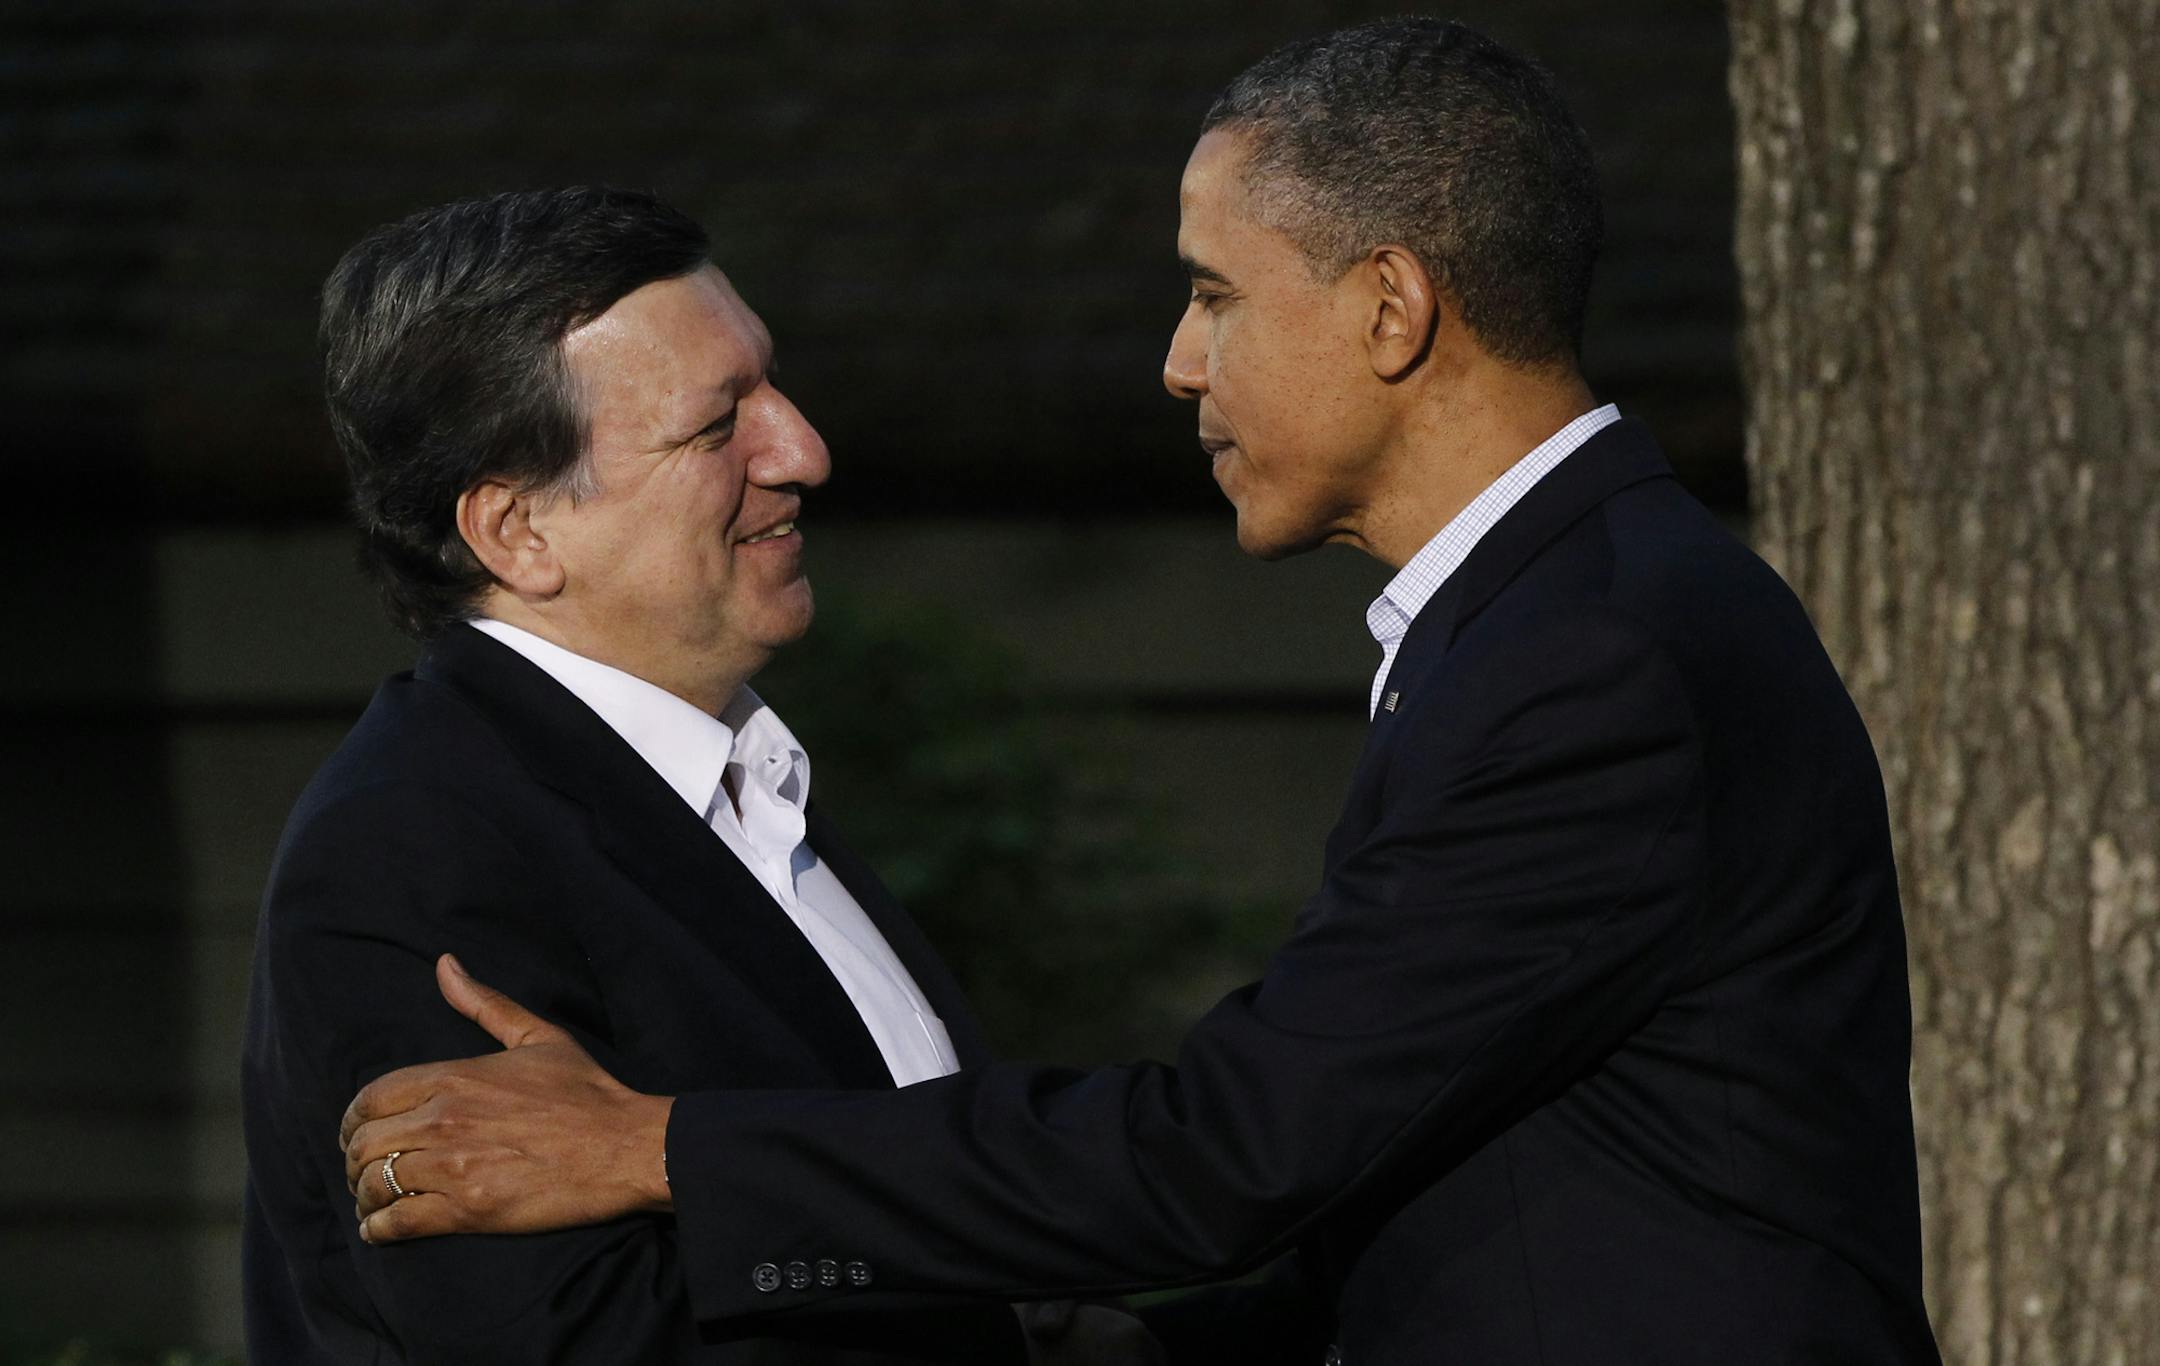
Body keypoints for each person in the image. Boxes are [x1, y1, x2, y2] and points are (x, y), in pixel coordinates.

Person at [339, 20, 1943, 1365]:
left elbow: (1232, 1147)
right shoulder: (1563, 618)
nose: (1180, 361)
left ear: (1390, 308)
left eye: (1217, 296)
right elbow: (1458, 1186)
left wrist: (653, 1145)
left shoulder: (1592, 660)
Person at [242, 187, 1136, 1364]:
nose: (803, 450)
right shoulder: (414, 850)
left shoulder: (737, 790)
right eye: (718, 428)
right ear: (518, 531)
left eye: (772, 386)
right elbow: (571, 1342)